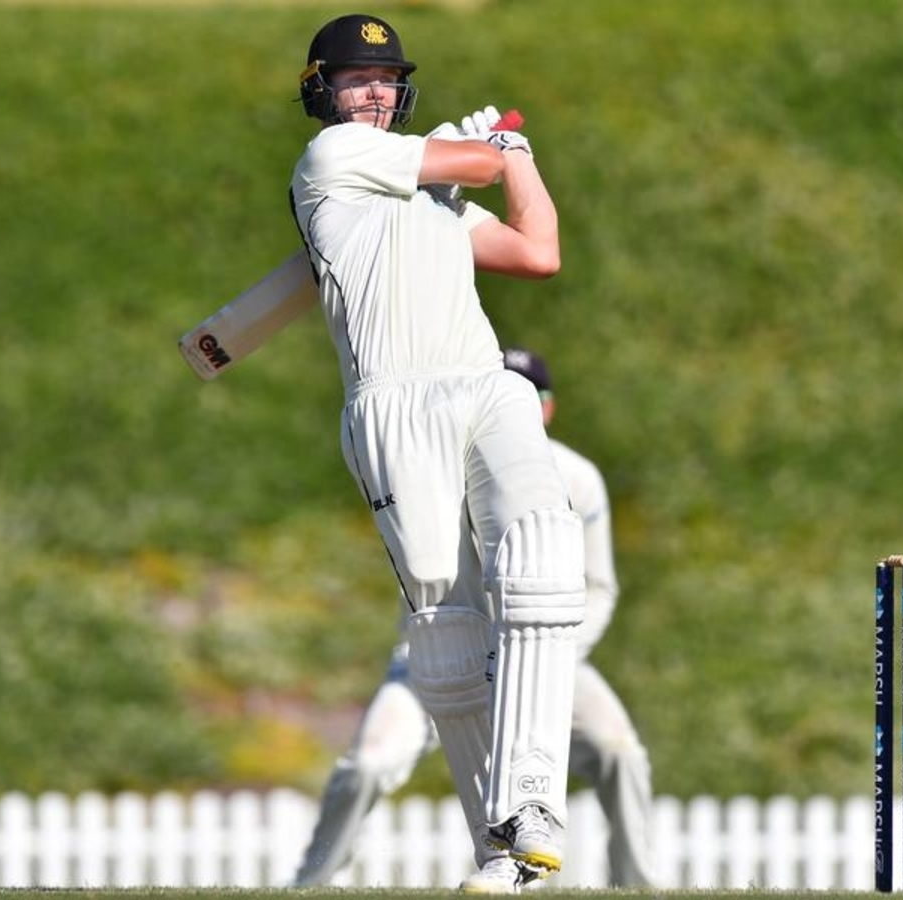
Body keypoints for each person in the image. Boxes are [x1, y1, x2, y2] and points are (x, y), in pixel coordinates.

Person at [290, 13, 584, 894]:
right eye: (356, 79)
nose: (373, 93)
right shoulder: (331, 158)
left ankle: (530, 804)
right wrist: (486, 152)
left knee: (541, 555)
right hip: (393, 404)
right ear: (323, 91)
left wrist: (511, 152)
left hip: (484, 384)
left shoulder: (437, 197)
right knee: (444, 622)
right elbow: (473, 165)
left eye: (385, 80)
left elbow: (538, 252)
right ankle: (503, 853)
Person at [292, 348, 656, 891]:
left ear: (547, 408)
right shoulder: (437, 470)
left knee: (618, 750)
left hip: (547, 656)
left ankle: (638, 884)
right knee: (369, 763)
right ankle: (310, 883)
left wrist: (545, 663)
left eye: (531, 396)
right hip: (440, 653)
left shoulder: (578, 479)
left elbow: (597, 588)